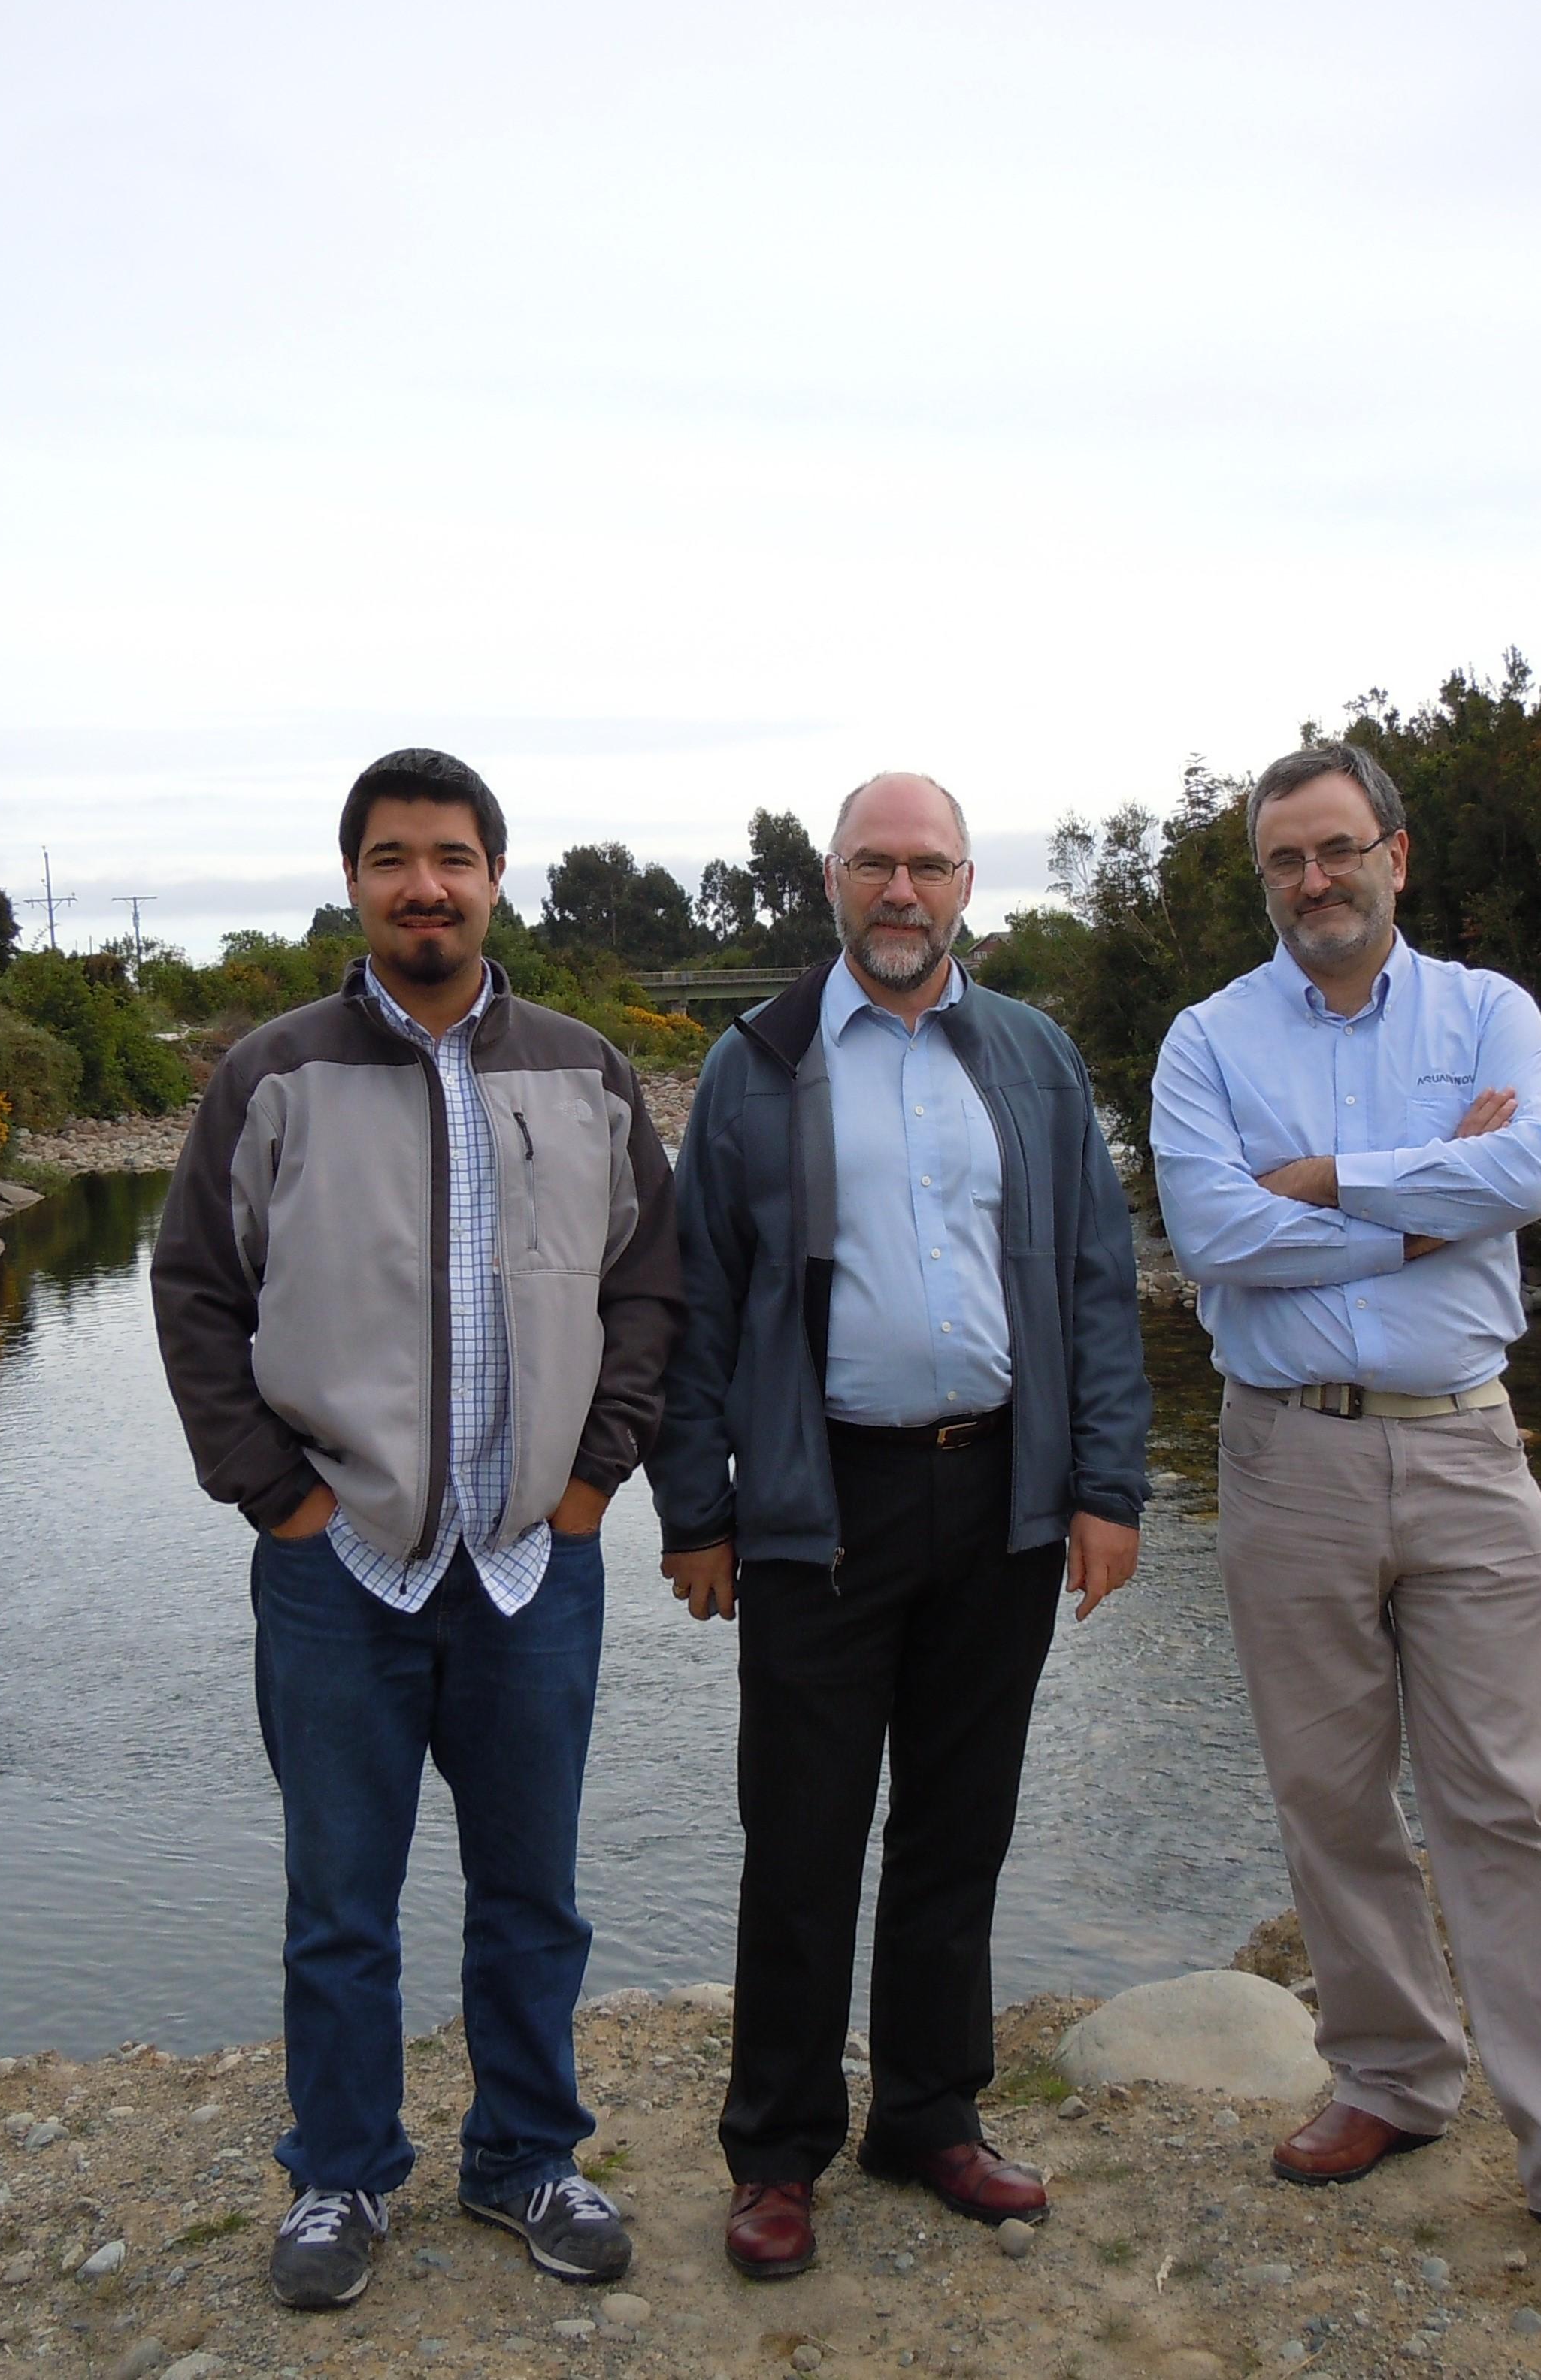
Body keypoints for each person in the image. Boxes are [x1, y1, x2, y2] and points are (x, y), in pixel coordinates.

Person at [1146, 742, 1541, 2298]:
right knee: (1330, 1798)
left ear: (1399, 853)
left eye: (1336, 851)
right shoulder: (1206, 1040)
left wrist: (1326, 1180)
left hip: (1466, 1450)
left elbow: (1527, 1167)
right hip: (1284, 1457)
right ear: (1263, 877)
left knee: (1511, 1808)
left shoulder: (1490, 1013)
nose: (1312, 883)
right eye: (1283, 862)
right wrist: (1422, 1204)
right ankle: (1392, 2078)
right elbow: (1212, 1230)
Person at [150, 748, 683, 2311]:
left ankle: (526, 2156)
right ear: (357, 883)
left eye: (451, 857)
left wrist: (592, 1488)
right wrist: (286, 1502)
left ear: (495, 877)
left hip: (532, 1563)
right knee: (340, 1903)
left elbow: (648, 1288)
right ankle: (340, 2178)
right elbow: (194, 1295)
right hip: (339, 1570)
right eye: (393, 859)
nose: (424, 886)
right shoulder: (273, 1075)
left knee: (534, 1896)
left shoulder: (585, 1071)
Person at [652, 770, 1152, 2282]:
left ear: (966, 886)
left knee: (957, 1827)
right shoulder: (756, 1065)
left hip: (1000, 1495)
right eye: (875, 865)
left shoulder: (1037, 1060)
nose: (901, 892)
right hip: (821, 1507)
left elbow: (1093, 1285)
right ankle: (778, 2150)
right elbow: (697, 1310)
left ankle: (931, 2116)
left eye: (927, 866)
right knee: (800, 1840)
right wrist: (696, 1507)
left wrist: (1107, 1488)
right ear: (829, 882)